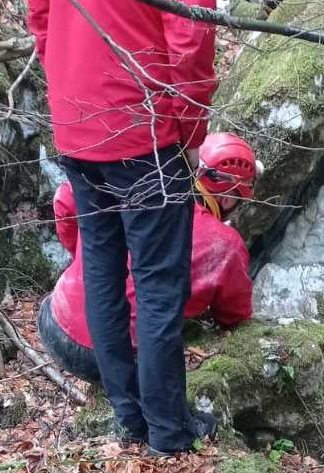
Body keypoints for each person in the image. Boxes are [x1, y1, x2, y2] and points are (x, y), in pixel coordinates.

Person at [25, 0, 219, 455]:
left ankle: (132, 418)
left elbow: (41, 9)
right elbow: (192, 27)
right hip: (144, 125)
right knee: (157, 284)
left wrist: (67, 89)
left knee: (102, 268)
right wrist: (191, 128)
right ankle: (168, 433)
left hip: (78, 121)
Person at [38, 134, 256, 391]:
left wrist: (86, 263)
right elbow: (234, 315)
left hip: (52, 319)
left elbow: (65, 199)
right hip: (102, 358)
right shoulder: (225, 245)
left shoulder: (134, 182)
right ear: (228, 198)